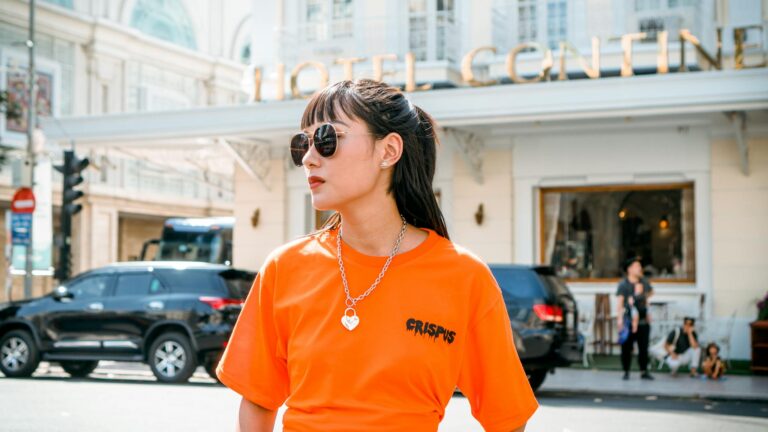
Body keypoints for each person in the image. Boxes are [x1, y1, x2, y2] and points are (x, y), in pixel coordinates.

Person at [216, 79, 538, 432]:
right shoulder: (285, 267)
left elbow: (506, 418)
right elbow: (258, 404)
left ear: (388, 151)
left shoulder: (464, 277)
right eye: (302, 144)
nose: (308, 158)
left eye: (327, 139)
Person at [616, 257, 654, 380]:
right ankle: (626, 371)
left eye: (640, 266)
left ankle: (644, 371)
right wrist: (620, 320)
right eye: (637, 266)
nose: (640, 268)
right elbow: (620, 303)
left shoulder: (644, 282)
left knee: (643, 347)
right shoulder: (623, 284)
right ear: (630, 269)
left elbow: (650, 294)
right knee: (626, 347)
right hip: (628, 321)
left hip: (643, 320)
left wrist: (646, 303)